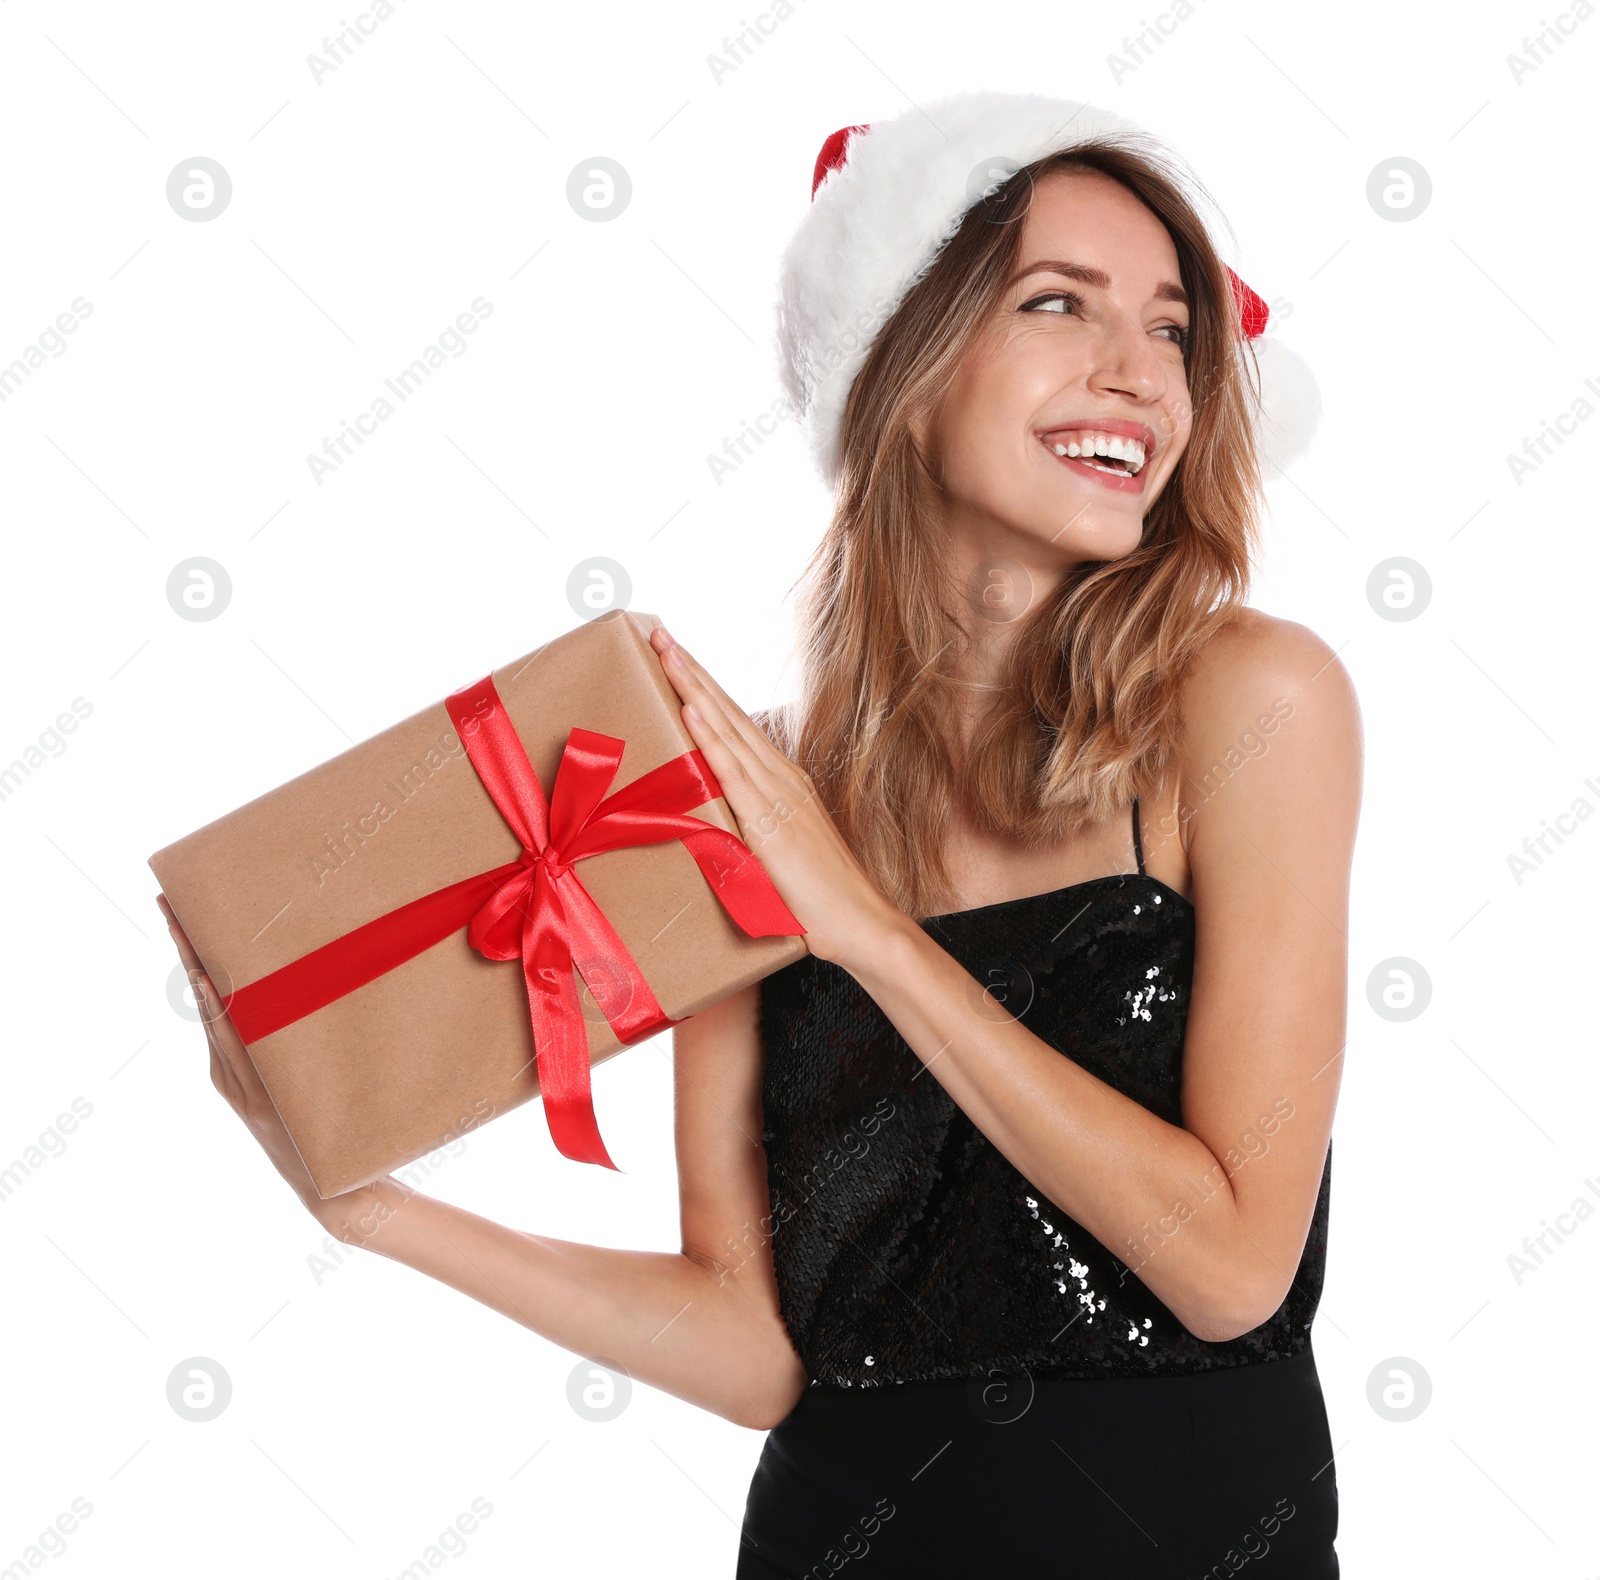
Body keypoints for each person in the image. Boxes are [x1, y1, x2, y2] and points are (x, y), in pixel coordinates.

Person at [162, 90, 1359, 1577]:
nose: (1140, 374)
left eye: (1175, 330)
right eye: (1062, 305)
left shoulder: (1253, 704)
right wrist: (381, 1214)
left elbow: (1235, 1266)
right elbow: (753, 1346)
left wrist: (860, 926)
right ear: (904, 375)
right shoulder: (751, 796)